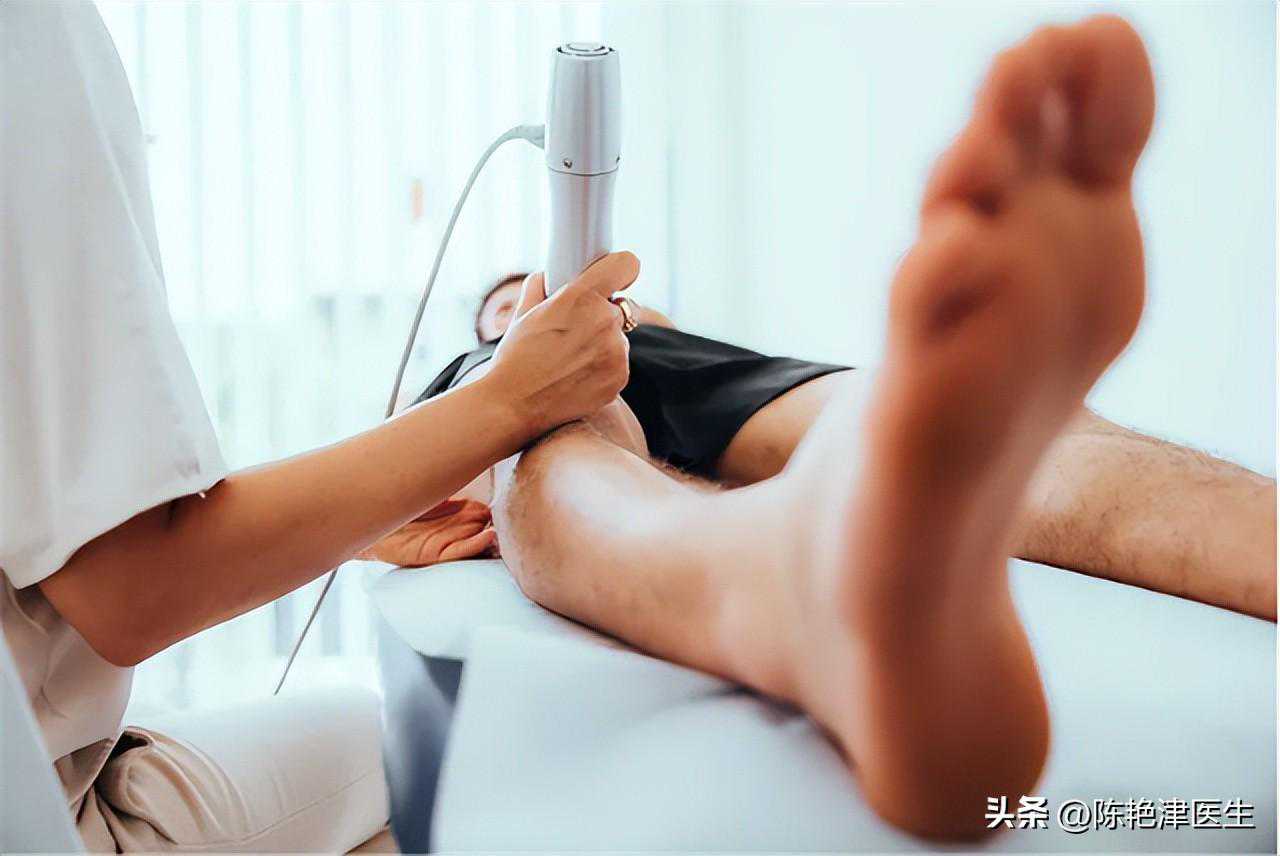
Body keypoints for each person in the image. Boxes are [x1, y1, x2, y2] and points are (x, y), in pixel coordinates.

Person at [363, 16, 1275, 840]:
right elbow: (409, 483)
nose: (509, 304)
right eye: (497, 304)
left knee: (1007, 436)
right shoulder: (465, 370)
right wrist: (495, 374)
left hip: (677, 359)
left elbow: (661, 339)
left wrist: (623, 320)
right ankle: (790, 579)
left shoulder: (652, 324)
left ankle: (938, 465)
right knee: (555, 461)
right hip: (520, 394)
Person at [0, 2, 636, 851]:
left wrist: (361, 517)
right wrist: (508, 398)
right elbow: (129, 586)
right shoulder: (30, 43)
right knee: (414, 754)